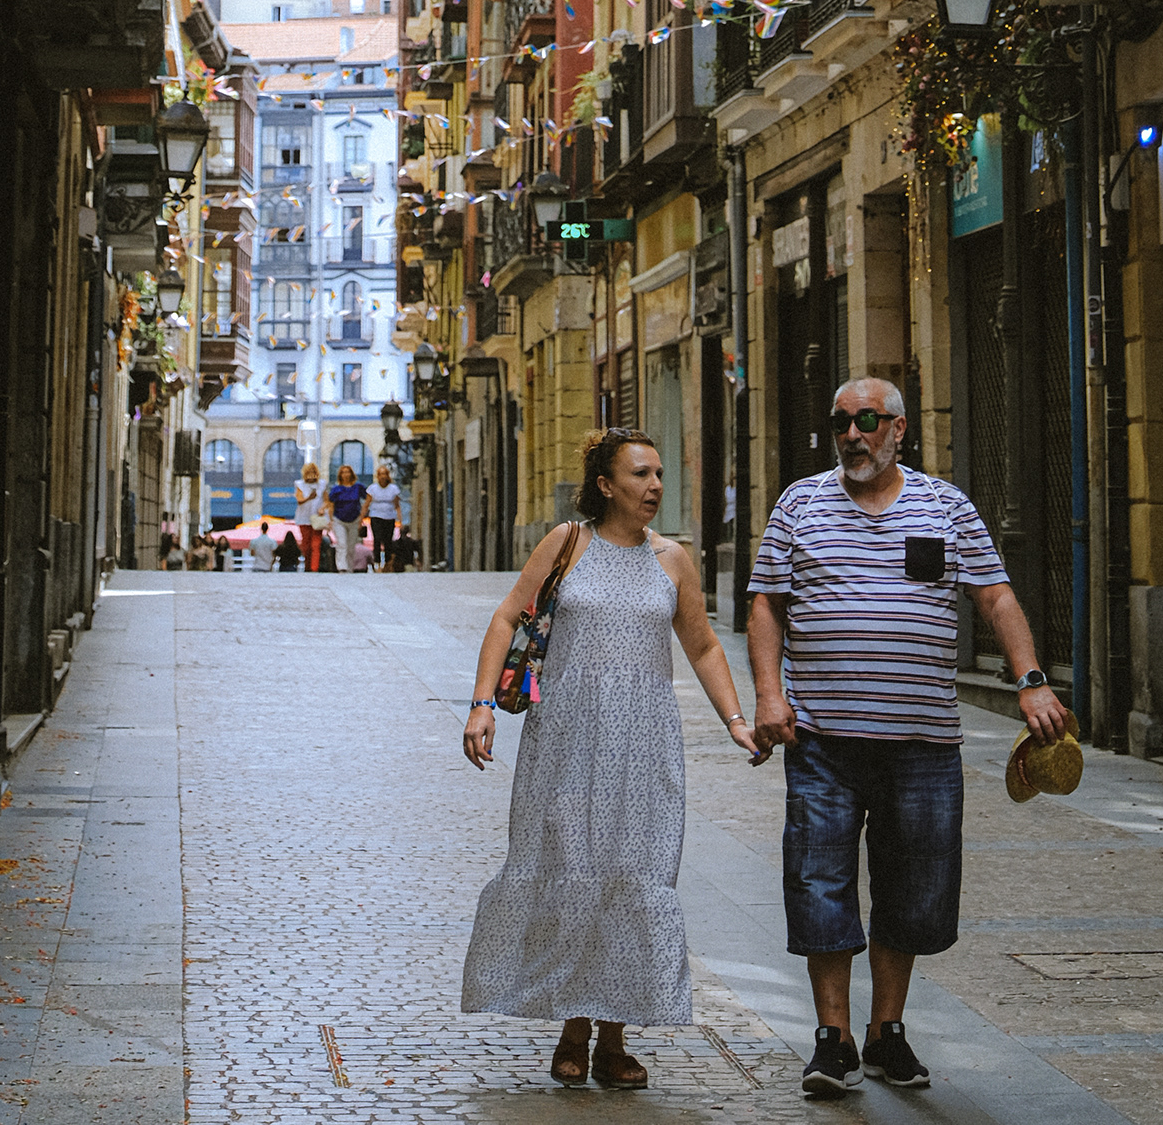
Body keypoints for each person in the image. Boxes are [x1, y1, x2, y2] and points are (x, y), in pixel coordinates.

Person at [748, 376, 1069, 1099]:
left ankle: (885, 1031)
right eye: (841, 423)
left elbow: (994, 595)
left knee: (915, 891)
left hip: (922, 742)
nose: (853, 435)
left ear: (899, 429)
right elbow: (766, 603)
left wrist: (1032, 680)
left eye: (868, 421)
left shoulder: (946, 506)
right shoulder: (800, 503)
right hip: (823, 740)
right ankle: (832, 1040)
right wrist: (770, 694)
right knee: (819, 882)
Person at [460, 426, 765, 1089]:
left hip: (645, 747)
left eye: (658, 474)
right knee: (572, 870)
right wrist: (482, 702)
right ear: (606, 484)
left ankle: (615, 1037)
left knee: (633, 875)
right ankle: (574, 1026)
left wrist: (737, 720)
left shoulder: (674, 560)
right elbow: (510, 616)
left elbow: (705, 647)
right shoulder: (567, 545)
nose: (654, 486)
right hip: (566, 741)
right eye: (640, 475)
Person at [328, 461, 367, 571]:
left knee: (351, 546)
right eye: (343, 472)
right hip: (339, 519)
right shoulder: (336, 489)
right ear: (340, 475)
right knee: (342, 544)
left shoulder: (358, 487)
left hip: (354, 519)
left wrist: (363, 514)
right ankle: (342, 567)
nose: (346, 474)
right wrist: (330, 519)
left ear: (351, 474)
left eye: (348, 472)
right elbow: (331, 504)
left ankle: (350, 567)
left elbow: (368, 499)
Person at [366, 461, 402, 569]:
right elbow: (367, 504)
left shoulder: (393, 489)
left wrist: (400, 520)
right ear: (378, 476)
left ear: (387, 476)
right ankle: (377, 562)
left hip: (389, 516)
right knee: (377, 538)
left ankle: (387, 563)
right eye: (380, 474)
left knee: (388, 540)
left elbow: (397, 505)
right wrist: (361, 517)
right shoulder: (372, 488)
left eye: (384, 474)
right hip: (376, 515)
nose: (382, 476)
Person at [295, 461, 326, 571]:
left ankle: (314, 568)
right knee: (306, 545)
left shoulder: (322, 484)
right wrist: (309, 498)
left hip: (317, 518)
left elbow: (327, 500)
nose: (311, 474)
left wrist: (322, 508)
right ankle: (308, 566)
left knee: (316, 545)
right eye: (309, 471)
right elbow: (299, 500)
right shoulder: (300, 485)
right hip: (304, 518)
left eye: (313, 471)